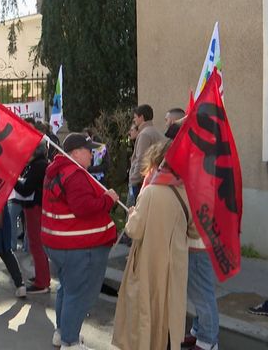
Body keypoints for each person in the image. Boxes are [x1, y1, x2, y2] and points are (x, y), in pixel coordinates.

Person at [113, 141, 199, 350]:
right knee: (170, 312)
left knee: (146, 312)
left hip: (149, 262)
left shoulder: (150, 191)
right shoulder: (186, 191)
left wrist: (132, 214)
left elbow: (134, 230)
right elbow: (194, 231)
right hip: (175, 264)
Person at [41, 133, 118, 349]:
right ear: (75, 153)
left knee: (67, 290)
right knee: (78, 294)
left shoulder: (58, 170)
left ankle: (62, 333)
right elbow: (83, 208)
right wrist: (108, 199)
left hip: (58, 244)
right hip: (77, 247)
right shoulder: (75, 174)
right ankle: (70, 341)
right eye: (88, 150)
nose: (92, 154)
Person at [14, 139, 50, 294]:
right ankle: (42, 277)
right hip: (35, 206)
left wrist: (13, 180)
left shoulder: (38, 165)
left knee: (36, 244)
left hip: (35, 207)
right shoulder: (38, 164)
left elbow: (26, 190)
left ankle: (42, 282)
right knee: (35, 243)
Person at [128, 104, 164, 206]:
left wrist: (133, 180)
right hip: (152, 179)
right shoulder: (156, 132)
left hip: (141, 182)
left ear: (141, 117)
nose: (134, 120)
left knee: (133, 214)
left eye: (135, 117)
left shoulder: (144, 134)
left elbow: (141, 160)